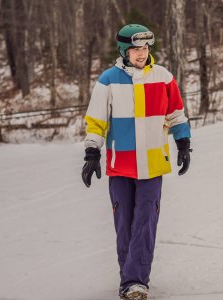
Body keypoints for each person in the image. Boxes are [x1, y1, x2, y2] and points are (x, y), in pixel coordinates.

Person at [81, 24, 191, 300]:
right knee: (125, 224)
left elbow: (176, 114)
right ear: (123, 50)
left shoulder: (163, 77)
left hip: (153, 164)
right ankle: (128, 280)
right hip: (121, 165)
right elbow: (96, 121)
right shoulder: (108, 80)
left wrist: (183, 143)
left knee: (145, 221)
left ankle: (135, 282)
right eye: (135, 49)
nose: (141, 54)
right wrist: (92, 152)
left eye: (145, 48)